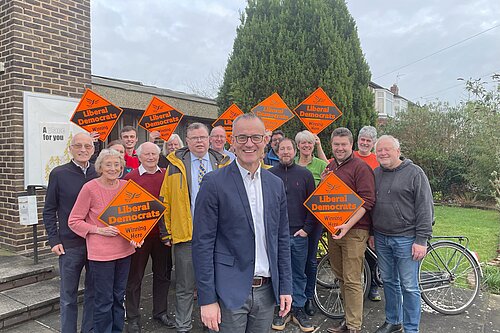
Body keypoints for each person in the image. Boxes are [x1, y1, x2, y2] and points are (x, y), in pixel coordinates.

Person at [192, 113, 292, 333]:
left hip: (267, 293)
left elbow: (282, 239)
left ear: (265, 141)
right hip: (228, 291)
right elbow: (202, 244)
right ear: (232, 141)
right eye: (242, 137)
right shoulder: (213, 183)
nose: (249, 144)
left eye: (256, 137)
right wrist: (207, 299)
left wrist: (285, 287)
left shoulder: (275, 185)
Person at [159, 123, 231, 333]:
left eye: (202, 137)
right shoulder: (175, 165)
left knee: (217, 282)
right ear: (187, 141)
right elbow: (165, 200)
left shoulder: (223, 164)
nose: (199, 141)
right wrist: (166, 231)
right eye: (194, 138)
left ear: (209, 140)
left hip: (219, 235)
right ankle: (183, 326)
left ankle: (212, 325)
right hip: (186, 234)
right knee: (184, 286)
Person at [68, 149, 141, 333]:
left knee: (119, 297)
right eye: (108, 164)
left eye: (117, 164)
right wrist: (98, 230)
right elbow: (74, 221)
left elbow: (132, 219)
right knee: (103, 300)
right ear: (100, 166)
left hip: (125, 252)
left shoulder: (126, 187)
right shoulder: (90, 188)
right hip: (101, 255)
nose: (113, 168)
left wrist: (136, 236)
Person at [370, 135, 433, 333]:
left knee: (409, 286)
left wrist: (421, 240)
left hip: (406, 238)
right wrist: (372, 232)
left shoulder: (415, 173)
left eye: (387, 149)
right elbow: (371, 206)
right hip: (381, 237)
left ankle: (411, 328)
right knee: (388, 282)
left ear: (398, 151)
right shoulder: (376, 173)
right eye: (379, 150)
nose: (383, 153)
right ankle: (393, 320)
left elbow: (425, 208)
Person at [42, 132, 97, 333]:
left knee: (93, 292)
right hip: (69, 244)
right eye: (78, 146)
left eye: (88, 146)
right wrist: (53, 238)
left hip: (96, 243)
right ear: (70, 148)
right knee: (68, 296)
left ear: (93, 149)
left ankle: (88, 330)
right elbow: (49, 209)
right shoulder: (59, 173)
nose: (83, 150)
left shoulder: (99, 173)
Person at [323, 128, 375, 333]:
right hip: (335, 229)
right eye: (336, 144)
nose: (340, 148)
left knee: (353, 279)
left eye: (344, 144)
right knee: (341, 276)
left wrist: (348, 225)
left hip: (354, 231)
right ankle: (348, 319)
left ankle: (354, 327)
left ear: (351, 145)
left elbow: (368, 201)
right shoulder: (331, 166)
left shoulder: (361, 168)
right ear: (332, 145)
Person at [124, 142, 174, 333]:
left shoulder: (167, 175)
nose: (151, 157)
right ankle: (133, 318)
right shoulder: (131, 177)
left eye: (154, 154)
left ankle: (160, 312)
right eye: (147, 154)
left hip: (163, 235)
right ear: (139, 156)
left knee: (163, 275)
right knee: (135, 278)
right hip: (140, 237)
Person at [270, 138, 316, 332]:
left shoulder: (305, 175)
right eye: (282, 149)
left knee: (298, 273)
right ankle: (282, 310)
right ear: (277, 152)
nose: (286, 152)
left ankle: (297, 309)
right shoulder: (269, 175)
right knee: (278, 273)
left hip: (298, 234)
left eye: (289, 148)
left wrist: (306, 229)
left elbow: (313, 205)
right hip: (277, 235)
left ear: (294, 150)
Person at [294, 130, 328, 315]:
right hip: (295, 219)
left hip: (314, 220)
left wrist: (322, 183)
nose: (306, 146)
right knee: (294, 260)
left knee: (310, 260)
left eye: (309, 143)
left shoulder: (321, 165)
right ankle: (294, 296)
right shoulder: (292, 164)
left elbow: (329, 191)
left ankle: (308, 298)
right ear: (297, 145)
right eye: (303, 143)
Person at [354, 126, 381, 301]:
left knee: (372, 251)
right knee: (355, 254)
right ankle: (356, 288)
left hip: (371, 210)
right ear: (357, 140)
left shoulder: (377, 160)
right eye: (362, 139)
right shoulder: (351, 155)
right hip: (352, 211)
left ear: (373, 143)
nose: (364, 143)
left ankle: (373, 287)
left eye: (368, 140)